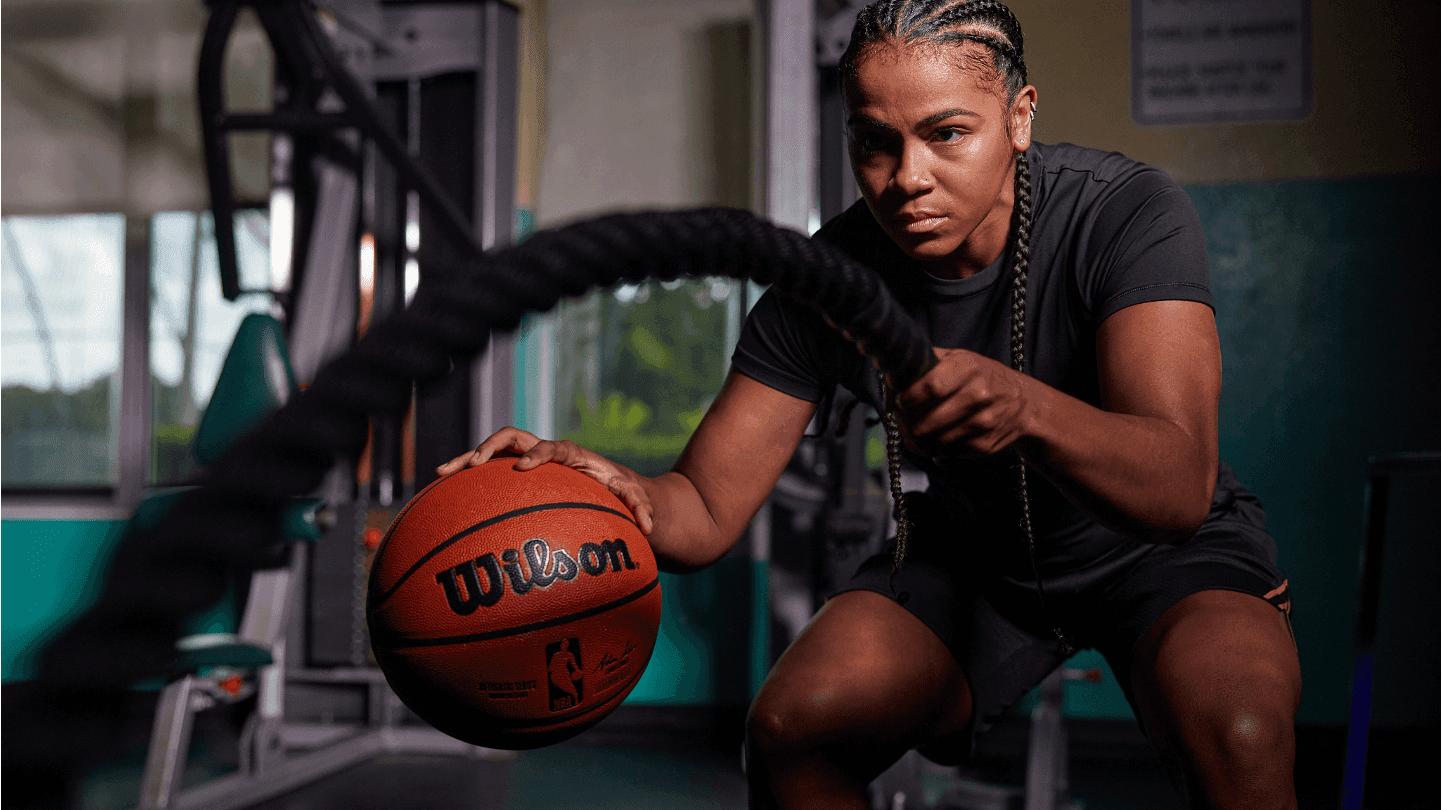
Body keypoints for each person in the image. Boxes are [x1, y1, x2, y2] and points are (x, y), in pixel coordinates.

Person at [440, 1, 1301, 807]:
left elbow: (1179, 488)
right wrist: (604, 491)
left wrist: (1025, 408)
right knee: (791, 732)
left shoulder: (1125, 215)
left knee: (1243, 732)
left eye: (947, 134)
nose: (905, 180)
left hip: (1155, 557)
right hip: (973, 563)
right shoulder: (828, 278)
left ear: (1021, 116)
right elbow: (703, 509)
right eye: (874, 142)